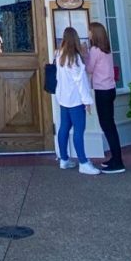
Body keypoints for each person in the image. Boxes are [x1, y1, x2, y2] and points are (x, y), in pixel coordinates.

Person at [53, 26, 99, 175]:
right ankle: (83, 162)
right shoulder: (75, 58)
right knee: (79, 130)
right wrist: (87, 101)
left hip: (63, 98)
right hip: (75, 100)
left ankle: (64, 159)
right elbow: (81, 82)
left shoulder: (59, 55)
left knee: (63, 128)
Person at [85, 22, 124, 173]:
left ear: (94, 34)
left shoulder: (95, 50)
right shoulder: (106, 50)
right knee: (110, 125)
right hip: (110, 89)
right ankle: (115, 158)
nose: (88, 34)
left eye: (89, 31)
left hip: (102, 91)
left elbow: (89, 68)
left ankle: (118, 162)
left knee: (107, 126)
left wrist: (84, 55)